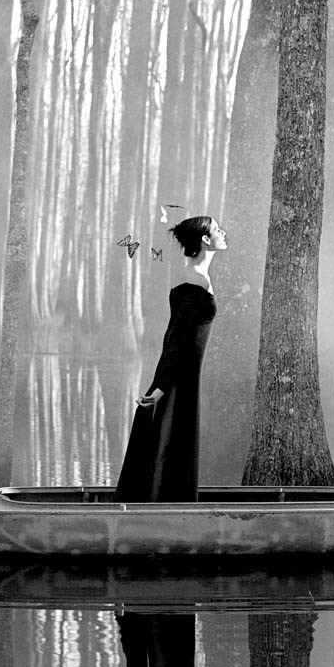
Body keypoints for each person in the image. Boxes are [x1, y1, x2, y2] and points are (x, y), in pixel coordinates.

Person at [115, 215, 228, 502]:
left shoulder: (196, 275)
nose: (223, 233)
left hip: (183, 373)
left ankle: (167, 503)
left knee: (173, 439)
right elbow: (176, 338)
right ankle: (163, 507)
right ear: (205, 239)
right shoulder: (195, 280)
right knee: (171, 438)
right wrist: (163, 386)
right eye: (217, 230)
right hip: (180, 376)